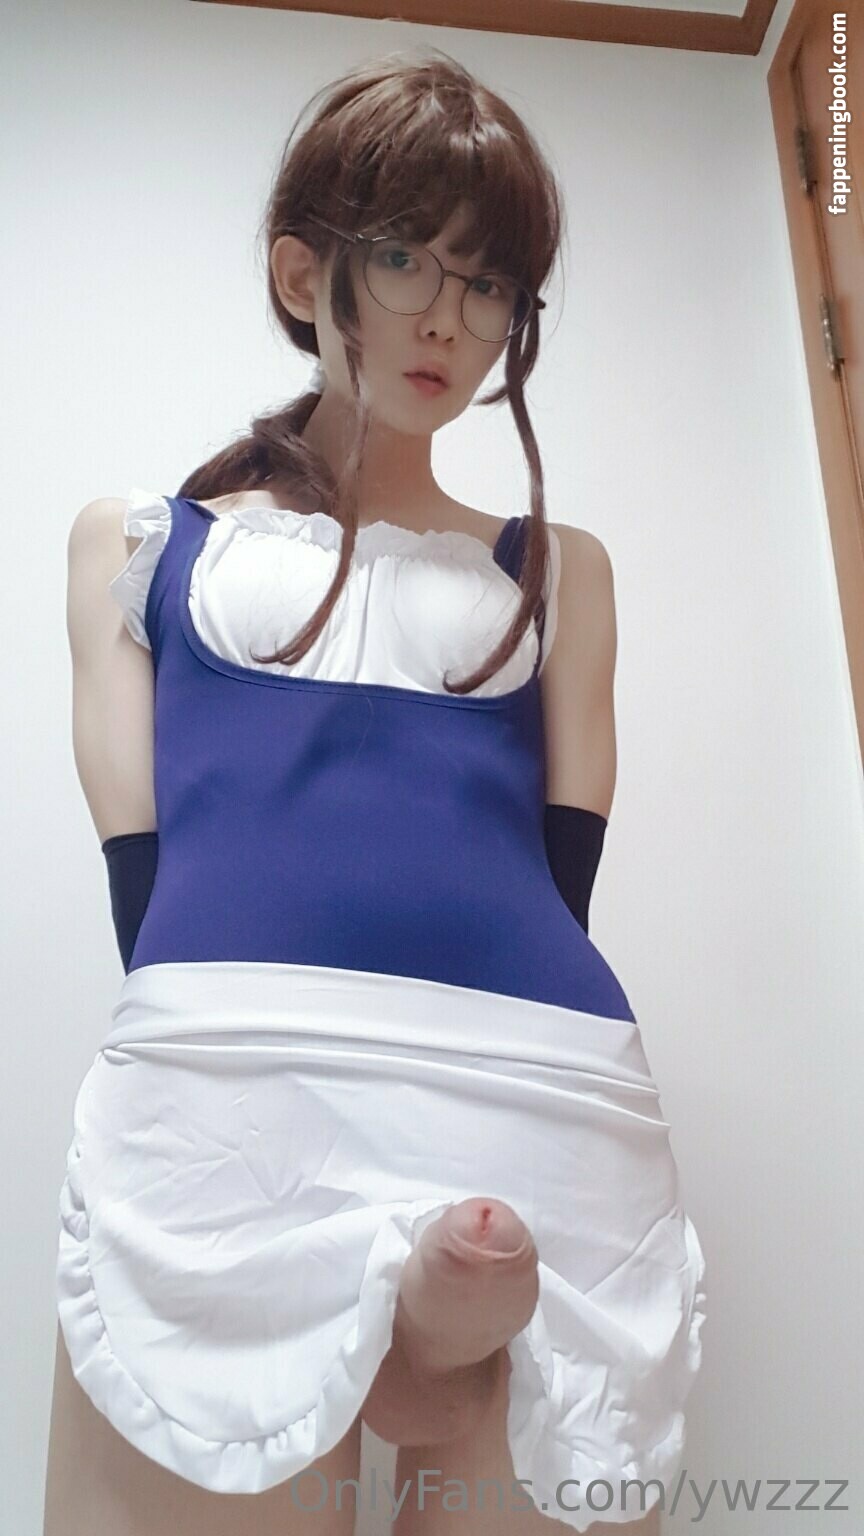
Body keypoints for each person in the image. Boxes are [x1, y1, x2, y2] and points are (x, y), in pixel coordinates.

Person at [45, 46, 706, 1536]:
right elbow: (142, 886)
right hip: (231, 1090)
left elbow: (562, 880)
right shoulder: (137, 546)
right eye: (404, 256)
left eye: (490, 282)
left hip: (530, 1086)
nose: (448, 317)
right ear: (304, 272)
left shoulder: (564, 573)